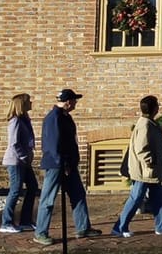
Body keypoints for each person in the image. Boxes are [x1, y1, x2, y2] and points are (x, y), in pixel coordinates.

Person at [33, 89, 101, 246]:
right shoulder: (53, 118)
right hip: (56, 165)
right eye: (74, 101)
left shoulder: (65, 117)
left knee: (78, 194)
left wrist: (71, 162)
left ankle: (83, 226)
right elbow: (52, 145)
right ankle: (40, 232)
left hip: (69, 164)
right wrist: (61, 163)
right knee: (48, 199)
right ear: (68, 102)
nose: (76, 104)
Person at [111, 95, 162, 237]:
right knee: (136, 198)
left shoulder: (148, 123)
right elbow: (142, 148)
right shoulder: (145, 125)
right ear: (154, 108)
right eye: (157, 105)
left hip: (150, 171)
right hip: (144, 171)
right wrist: (151, 161)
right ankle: (120, 227)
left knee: (158, 198)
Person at [0, 93, 38, 233]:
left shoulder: (24, 120)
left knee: (33, 187)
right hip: (16, 161)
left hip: (24, 162)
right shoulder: (15, 121)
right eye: (29, 101)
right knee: (15, 191)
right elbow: (14, 144)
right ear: (22, 104)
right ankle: (6, 222)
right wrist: (24, 157)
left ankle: (26, 221)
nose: (31, 102)